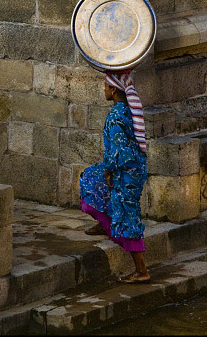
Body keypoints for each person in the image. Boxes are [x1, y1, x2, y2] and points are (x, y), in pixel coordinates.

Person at [79, 70, 150, 284]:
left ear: (112, 89)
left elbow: (119, 151)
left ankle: (141, 271)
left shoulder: (116, 116)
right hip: (133, 167)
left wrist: (109, 170)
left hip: (126, 171)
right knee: (90, 177)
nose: (104, 90)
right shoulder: (126, 110)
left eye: (105, 86)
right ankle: (105, 221)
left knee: (128, 216)